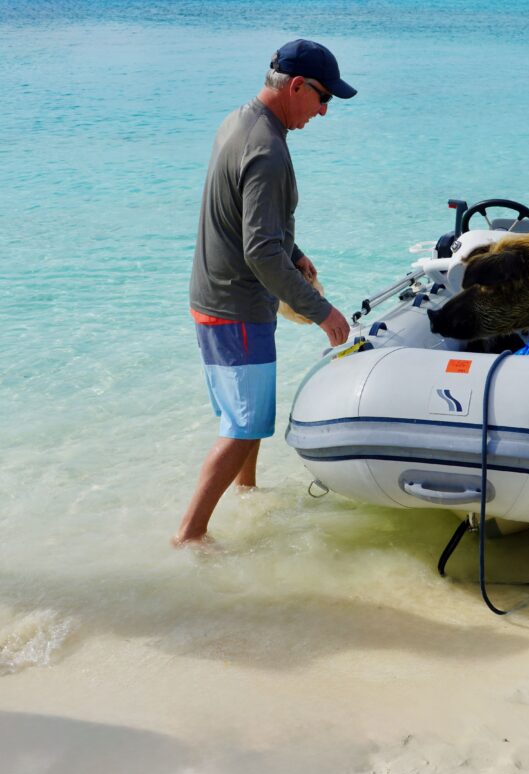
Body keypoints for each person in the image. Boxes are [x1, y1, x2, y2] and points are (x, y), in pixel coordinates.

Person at [174, 40, 356, 546]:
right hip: (236, 304)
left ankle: (247, 494)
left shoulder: (239, 121)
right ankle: (190, 535)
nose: (323, 111)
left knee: (246, 415)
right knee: (246, 424)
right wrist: (322, 312)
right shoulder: (269, 148)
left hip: (213, 294)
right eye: (323, 99)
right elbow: (259, 251)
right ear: (296, 86)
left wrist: (294, 250)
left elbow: (248, 218)